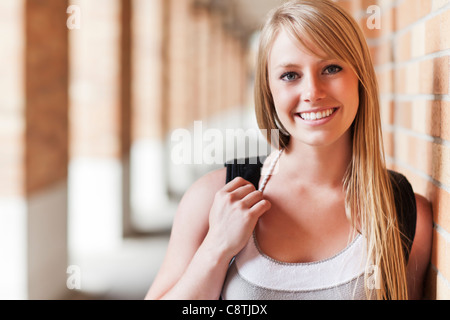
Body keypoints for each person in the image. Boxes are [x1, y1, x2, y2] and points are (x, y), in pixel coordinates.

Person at [145, 0, 432, 300]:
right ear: (268, 91)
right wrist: (216, 248)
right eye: (290, 75)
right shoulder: (212, 199)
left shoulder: (404, 214)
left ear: (360, 78)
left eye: (331, 68)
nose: (312, 92)